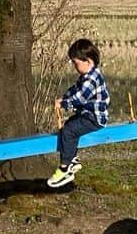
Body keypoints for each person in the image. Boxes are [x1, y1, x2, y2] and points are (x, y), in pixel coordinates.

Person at [47, 37, 109, 188]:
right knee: (69, 125)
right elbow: (75, 90)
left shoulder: (91, 80)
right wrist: (65, 97)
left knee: (68, 131)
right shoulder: (87, 76)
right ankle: (73, 160)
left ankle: (64, 168)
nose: (75, 67)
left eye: (76, 63)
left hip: (94, 118)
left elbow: (80, 98)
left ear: (87, 61)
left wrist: (64, 103)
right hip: (88, 115)